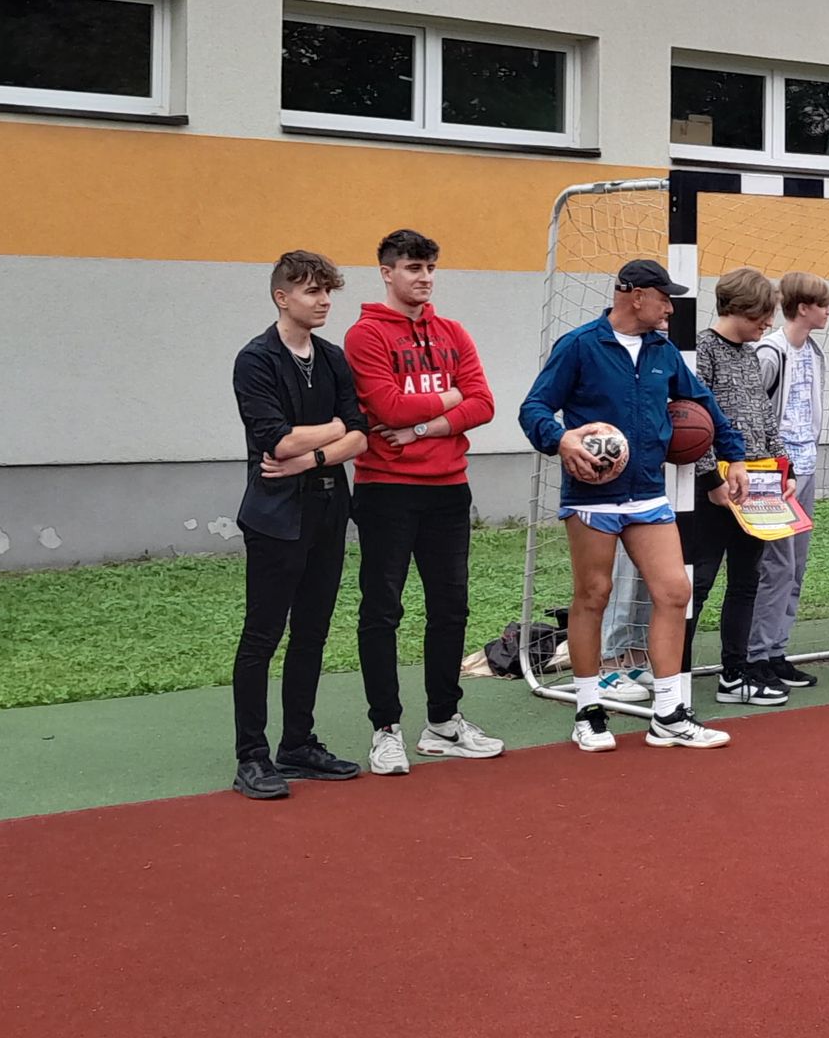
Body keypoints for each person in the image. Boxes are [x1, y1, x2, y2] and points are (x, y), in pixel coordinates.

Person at [519, 258, 745, 750]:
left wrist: (736, 458)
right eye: (664, 298)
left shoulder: (664, 351)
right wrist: (561, 439)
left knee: (674, 592)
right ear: (636, 296)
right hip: (592, 495)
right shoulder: (580, 345)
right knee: (593, 595)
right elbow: (533, 407)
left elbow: (703, 405)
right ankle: (588, 712)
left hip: (646, 493)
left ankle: (668, 714)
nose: (670, 308)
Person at [343, 229, 503, 777]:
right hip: (386, 489)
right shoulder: (365, 335)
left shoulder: (452, 332)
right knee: (382, 610)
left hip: (448, 489)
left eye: (430, 267)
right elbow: (387, 406)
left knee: (451, 608)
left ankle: (443, 722)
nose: (425, 277)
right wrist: (451, 397)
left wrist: (423, 427)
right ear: (386, 273)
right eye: (413, 268)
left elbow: (484, 403)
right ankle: (385, 729)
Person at [228, 250, 370, 800]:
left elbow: (360, 435)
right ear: (281, 297)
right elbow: (276, 440)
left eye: (328, 290)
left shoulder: (332, 358)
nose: (324, 301)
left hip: (328, 512)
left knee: (312, 632)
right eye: (312, 291)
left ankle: (298, 744)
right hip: (275, 519)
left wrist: (314, 453)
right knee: (262, 636)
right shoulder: (255, 360)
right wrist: (331, 431)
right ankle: (252, 756)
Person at [689, 266, 796, 709]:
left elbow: (764, 418)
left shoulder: (751, 355)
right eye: (761, 315)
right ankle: (674, 673)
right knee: (698, 581)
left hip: (758, 485)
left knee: (746, 580)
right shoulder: (702, 350)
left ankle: (735, 672)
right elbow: (691, 420)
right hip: (713, 489)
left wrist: (784, 470)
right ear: (739, 308)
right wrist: (711, 479)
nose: (768, 324)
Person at [748, 271, 829, 691]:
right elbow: (754, 412)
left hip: (806, 468)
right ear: (803, 308)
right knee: (776, 566)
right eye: (823, 304)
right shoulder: (770, 352)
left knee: (796, 566)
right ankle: (756, 654)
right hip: (774, 475)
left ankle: (777, 651)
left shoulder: (813, 352)